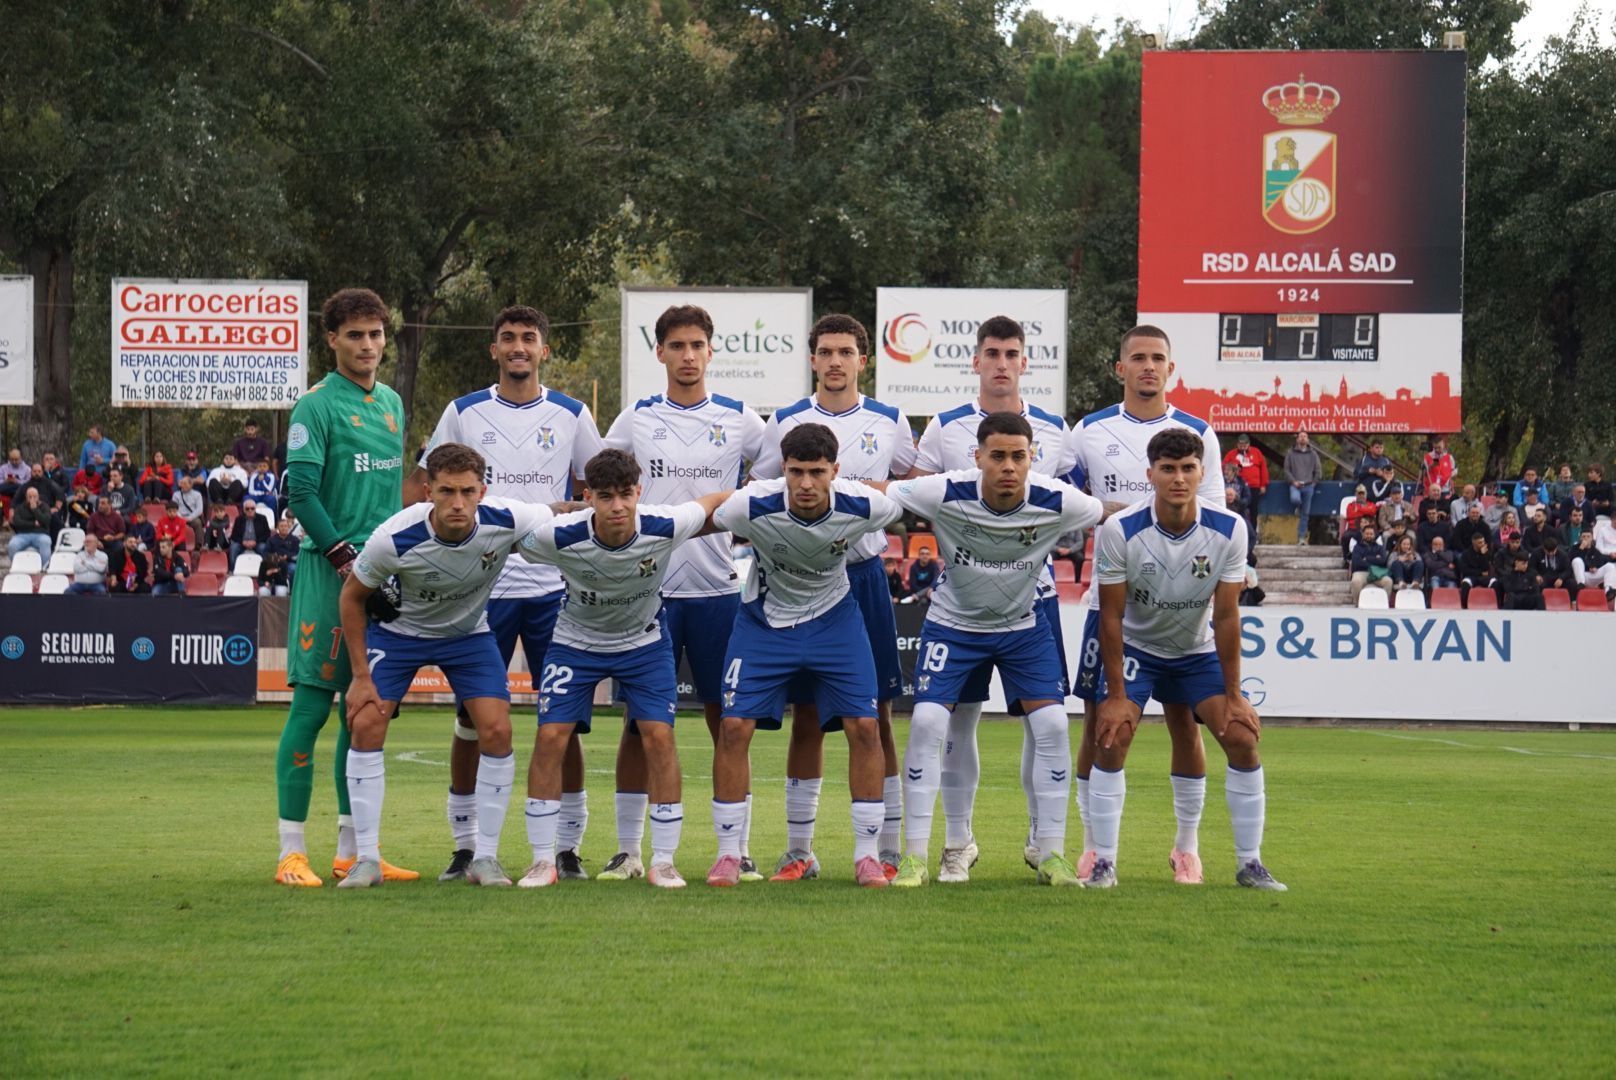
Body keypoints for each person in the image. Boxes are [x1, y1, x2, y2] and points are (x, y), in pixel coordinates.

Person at [410, 305, 605, 883]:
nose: (519, 347)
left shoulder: (572, 414)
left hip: (553, 590)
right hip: (482, 590)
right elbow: (427, 491)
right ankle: (466, 845)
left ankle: (567, 847)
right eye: (508, 339)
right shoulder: (464, 412)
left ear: (546, 349)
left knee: (563, 724)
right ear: (493, 349)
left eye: (529, 338)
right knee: (472, 721)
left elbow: (598, 490)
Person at [887, 412, 1104, 887]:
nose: (1009, 466)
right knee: (928, 722)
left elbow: (1104, 512)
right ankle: (918, 856)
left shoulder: (1057, 499)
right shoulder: (944, 490)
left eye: (1019, 456)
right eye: (998, 456)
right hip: (953, 625)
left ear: (1033, 459)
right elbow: (886, 495)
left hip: (1023, 627)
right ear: (978, 457)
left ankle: (1050, 854)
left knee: (1050, 724)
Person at [335, 443, 551, 889]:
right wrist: (359, 677)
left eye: (468, 492)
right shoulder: (393, 538)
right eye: (447, 491)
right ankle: (367, 859)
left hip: (467, 636)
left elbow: (556, 514)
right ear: (428, 491)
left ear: (482, 491)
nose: (458, 502)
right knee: (366, 723)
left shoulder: (507, 519)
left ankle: (485, 859)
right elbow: (352, 597)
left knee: (497, 730)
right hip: (399, 637)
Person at [749, 314, 917, 883]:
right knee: (807, 717)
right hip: (798, 577)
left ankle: (887, 848)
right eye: (826, 352)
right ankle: (800, 850)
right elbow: (764, 489)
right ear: (813, 360)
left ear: (863, 360)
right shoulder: (787, 420)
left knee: (877, 716)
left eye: (847, 351)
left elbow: (906, 488)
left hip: (863, 575)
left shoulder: (891, 421)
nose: (836, 361)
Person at [602, 305, 767, 881]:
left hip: (719, 591)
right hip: (649, 591)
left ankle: (736, 847)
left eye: (698, 344)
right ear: (661, 353)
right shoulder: (637, 418)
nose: (688, 355)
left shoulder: (742, 419)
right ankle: (628, 850)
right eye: (678, 346)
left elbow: (771, 482)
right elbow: (600, 480)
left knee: (729, 719)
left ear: (711, 351)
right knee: (636, 723)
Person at [514, 449, 731, 889]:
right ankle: (541, 860)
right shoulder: (558, 537)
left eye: (625, 496)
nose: (617, 507)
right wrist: (555, 508)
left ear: (639, 493)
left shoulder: (665, 524)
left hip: (644, 643)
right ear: (588, 496)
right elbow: (509, 536)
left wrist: (775, 494)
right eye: (606, 497)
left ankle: (663, 860)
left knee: (659, 735)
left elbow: (712, 503)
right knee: (551, 736)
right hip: (575, 643)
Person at [707, 422, 906, 888]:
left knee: (865, 725)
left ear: (836, 471)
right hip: (764, 623)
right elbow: (701, 516)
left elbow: (916, 496)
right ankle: (728, 855)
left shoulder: (864, 504)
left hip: (836, 620)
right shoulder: (752, 505)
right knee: (733, 727)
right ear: (782, 471)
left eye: (818, 472)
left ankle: (867, 856)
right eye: (796, 472)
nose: (806, 484)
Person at [912, 315, 1075, 878]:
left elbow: (1071, 504)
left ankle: (1041, 837)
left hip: (1036, 597)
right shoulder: (945, 426)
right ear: (976, 361)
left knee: (1044, 722)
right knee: (958, 722)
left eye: (1011, 353)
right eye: (992, 353)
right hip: (963, 598)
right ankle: (958, 840)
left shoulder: (1056, 428)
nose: (1001, 363)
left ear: (1025, 362)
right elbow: (916, 498)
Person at [1087, 427, 1283, 890]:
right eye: (1168, 469)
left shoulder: (1230, 528)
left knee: (1241, 737)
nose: (1178, 478)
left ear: (1202, 472)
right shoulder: (1120, 530)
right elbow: (1111, 616)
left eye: (1188, 468)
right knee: (1112, 738)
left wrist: (1235, 695)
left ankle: (1249, 863)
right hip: (1138, 647)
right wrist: (1115, 695)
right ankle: (1104, 862)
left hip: (1193, 650)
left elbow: (1228, 616)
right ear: (1150, 474)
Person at [1066, 325, 1224, 885]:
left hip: (1180, 606)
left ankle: (1187, 847)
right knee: (1100, 724)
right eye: (1139, 358)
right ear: (1120, 368)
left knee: (1186, 722)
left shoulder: (1199, 432)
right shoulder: (1088, 430)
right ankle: (1094, 847)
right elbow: (1067, 505)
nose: (1149, 367)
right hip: (1107, 599)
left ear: (1171, 368)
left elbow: (1215, 517)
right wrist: (1115, 510)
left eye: (1158, 358)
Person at [272, 287, 414, 889]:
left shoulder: (390, 404)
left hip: (380, 572)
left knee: (363, 715)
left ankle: (354, 851)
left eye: (375, 334)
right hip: (327, 573)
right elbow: (300, 493)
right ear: (330, 340)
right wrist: (340, 557)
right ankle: (290, 853)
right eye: (354, 335)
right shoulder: (315, 407)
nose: (367, 345)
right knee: (311, 709)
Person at [1222, 433, 1267, 532]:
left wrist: (1263, 484)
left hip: (1254, 486)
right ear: (1237, 444)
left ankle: (1253, 532)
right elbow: (1223, 467)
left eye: (1245, 445)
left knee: (1253, 510)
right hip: (1238, 487)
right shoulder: (1231, 454)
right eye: (1240, 445)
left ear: (1248, 444)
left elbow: (1263, 469)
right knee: (1238, 510)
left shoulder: (1256, 452)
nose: (1242, 447)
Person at [1283, 430, 1322, 544]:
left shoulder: (1313, 454)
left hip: (1309, 485)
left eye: (1305, 436)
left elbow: (1318, 470)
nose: (1303, 439)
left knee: (1305, 514)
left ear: (1308, 439)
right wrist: (1293, 481)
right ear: (1297, 439)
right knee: (1295, 499)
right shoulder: (1290, 453)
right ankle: (1298, 507)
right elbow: (1286, 470)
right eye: (1301, 437)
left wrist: (1314, 482)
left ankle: (1301, 538)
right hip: (1295, 485)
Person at [1349, 521, 1392, 603]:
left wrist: (1367, 558)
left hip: (1377, 573)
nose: (1369, 536)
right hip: (1361, 573)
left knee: (1388, 581)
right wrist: (1375, 559)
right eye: (1367, 534)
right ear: (1363, 534)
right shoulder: (1357, 547)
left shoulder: (1380, 548)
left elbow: (1383, 561)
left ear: (1374, 535)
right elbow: (1357, 563)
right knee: (1355, 581)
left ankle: (1384, 603)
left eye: (1371, 534)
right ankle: (1358, 604)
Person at [7, 487, 53, 562]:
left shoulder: (44, 507)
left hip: (41, 534)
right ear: (26, 497)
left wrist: (35, 509)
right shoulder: (20, 508)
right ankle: (15, 566)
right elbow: (17, 523)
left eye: (35, 496)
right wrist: (34, 523)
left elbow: (46, 521)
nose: (32, 499)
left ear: (38, 497)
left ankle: (44, 568)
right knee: (13, 545)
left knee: (46, 542)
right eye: (30, 496)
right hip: (22, 535)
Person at [229, 499, 270, 571]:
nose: (250, 510)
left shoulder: (262, 518)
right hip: (242, 543)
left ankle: (264, 570)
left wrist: (255, 542)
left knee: (263, 548)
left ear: (255, 509)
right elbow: (234, 535)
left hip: (257, 543)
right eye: (247, 509)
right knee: (233, 548)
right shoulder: (239, 519)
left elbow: (267, 534)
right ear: (244, 510)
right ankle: (233, 570)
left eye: (252, 508)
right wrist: (243, 542)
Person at [1531, 535, 1576, 601]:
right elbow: (1531, 567)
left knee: (1572, 583)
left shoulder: (1563, 554)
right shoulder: (1536, 553)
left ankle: (1572, 602)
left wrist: (1561, 578)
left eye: (1553, 551)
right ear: (1544, 548)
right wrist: (1536, 575)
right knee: (1536, 584)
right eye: (1548, 551)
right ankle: (1539, 604)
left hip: (1558, 576)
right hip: (1544, 577)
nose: (1551, 553)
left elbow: (1568, 570)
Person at [1458, 532, 1496, 604]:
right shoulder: (1466, 554)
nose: (1483, 544)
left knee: (1495, 582)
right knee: (1465, 583)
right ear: (1474, 543)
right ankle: (1464, 605)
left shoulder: (1487, 553)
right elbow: (1464, 569)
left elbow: (1486, 568)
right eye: (1480, 542)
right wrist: (1479, 572)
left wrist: (1483, 555)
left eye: (1483, 542)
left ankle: (1498, 604)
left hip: (1484, 578)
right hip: (1471, 576)